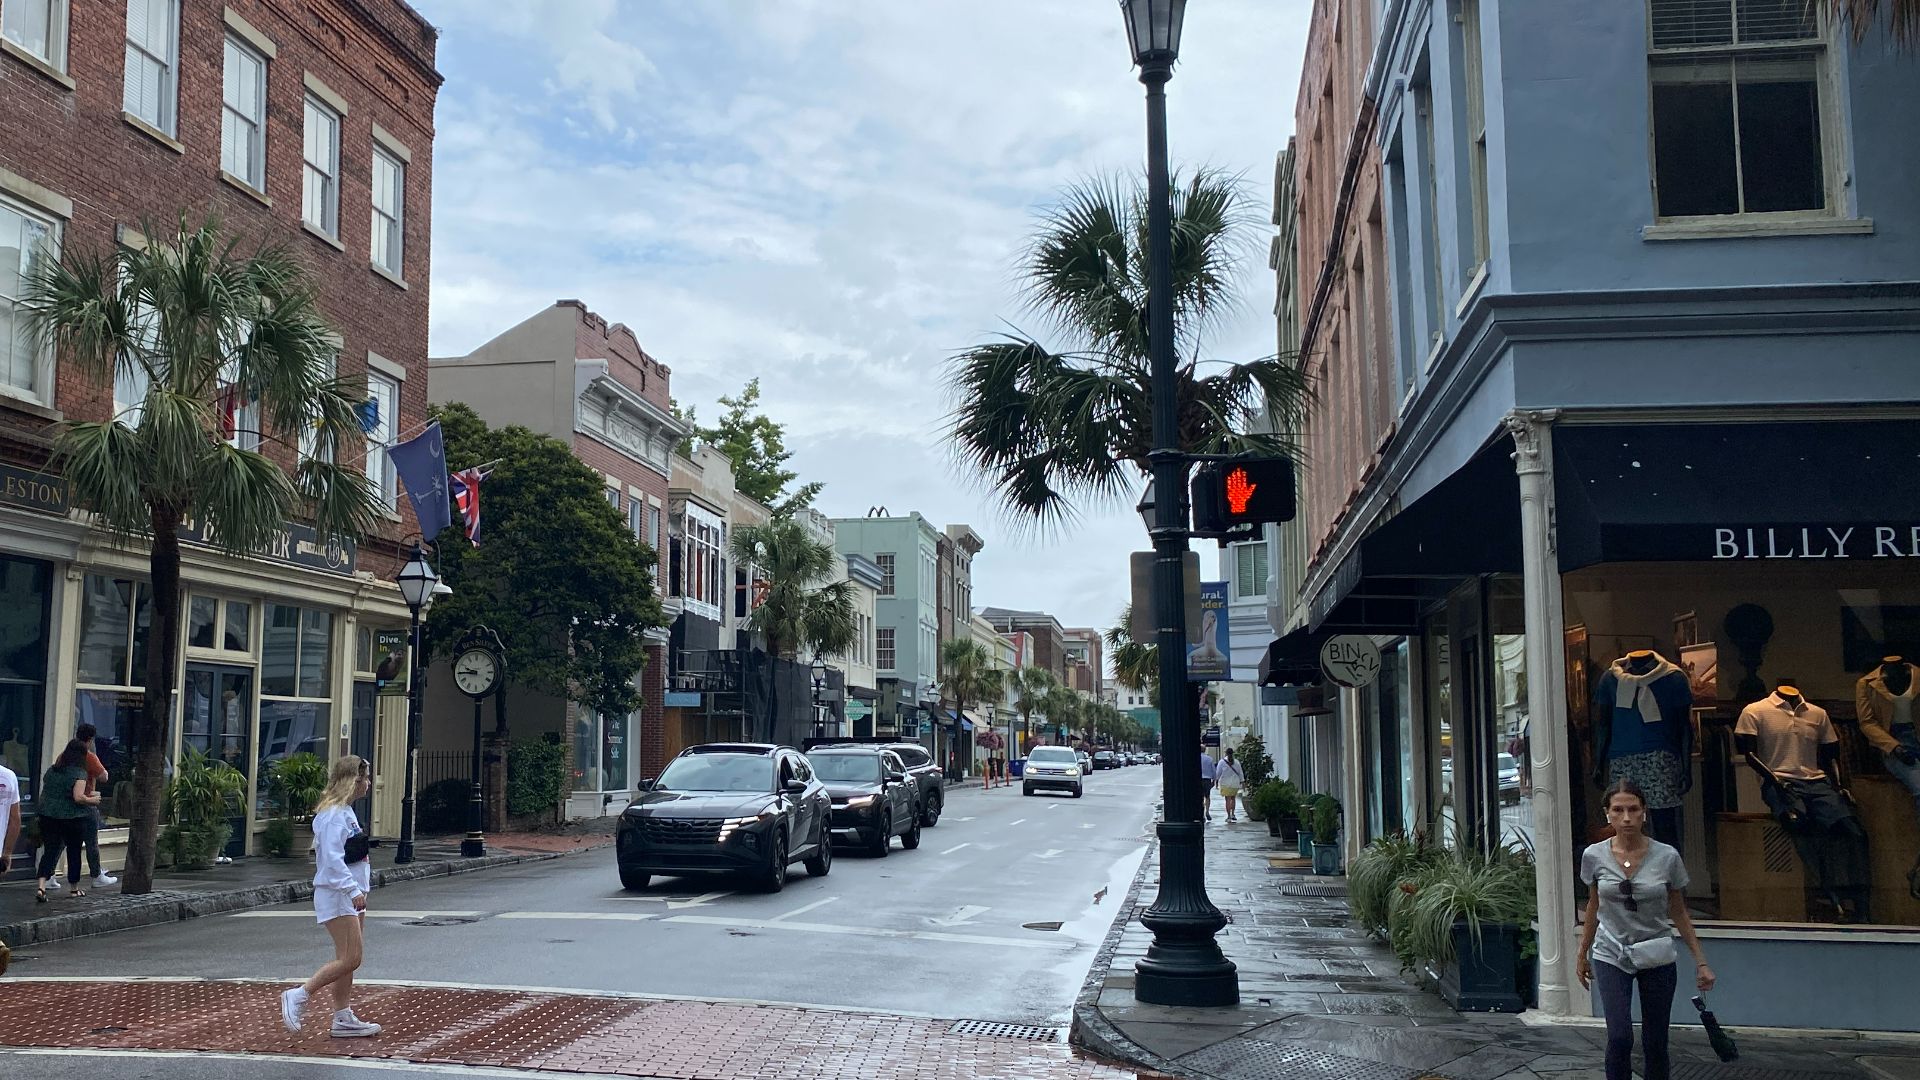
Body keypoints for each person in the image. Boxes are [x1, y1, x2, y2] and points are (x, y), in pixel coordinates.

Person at [1577, 780, 1715, 1080]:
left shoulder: (1667, 857)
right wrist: (1582, 952)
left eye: (1633, 809)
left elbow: (1678, 910)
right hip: (1611, 951)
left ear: (1644, 813)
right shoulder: (1593, 856)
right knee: (1620, 1037)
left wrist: (1701, 961)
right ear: (1608, 814)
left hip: (1656, 952)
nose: (1626, 817)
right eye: (1618, 810)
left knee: (1655, 1041)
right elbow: (1593, 905)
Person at [282, 755, 381, 1038]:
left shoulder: (344, 812)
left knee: (347, 958)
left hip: (350, 895)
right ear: (353, 780)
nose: (369, 784)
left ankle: (342, 1016)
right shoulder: (334, 816)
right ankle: (300, 995)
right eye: (365, 778)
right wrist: (352, 890)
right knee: (352, 958)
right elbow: (332, 862)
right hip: (339, 895)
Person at [36, 740, 100, 902]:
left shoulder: (52, 771)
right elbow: (78, 797)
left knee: (49, 851)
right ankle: (74, 889)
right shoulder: (79, 773)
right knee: (73, 852)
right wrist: (92, 800)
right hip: (71, 817)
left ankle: (41, 886)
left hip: (48, 816)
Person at [76, 723, 116, 888]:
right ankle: (96, 875)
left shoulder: (66, 755)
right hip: (86, 801)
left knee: (63, 840)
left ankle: (48, 876)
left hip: (68, 803)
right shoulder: (89, 756)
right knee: (91, 841)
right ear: (91, 739)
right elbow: (104, 777)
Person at [1216, 748, 1245, 823]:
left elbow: (1218, 773)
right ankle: (1233, 814)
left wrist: (1216, 780)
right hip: (1235, 783)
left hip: (1225, 783)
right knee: (1233, 799)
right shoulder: (1237, 762)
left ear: (1225, 753)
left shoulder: (1222, 762)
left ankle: (1228, 816)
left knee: (1227, 800)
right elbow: (1240, 772)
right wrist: (1242, 781)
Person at [1199, 749, 1218, 822]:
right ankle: (1207, 811)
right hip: (1207, 779)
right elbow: (1213, 770)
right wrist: (1214, 779)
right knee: (1207, 796)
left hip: (1199, 779)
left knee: (1200, 797)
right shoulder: (1209, 759)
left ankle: (1201, 813)